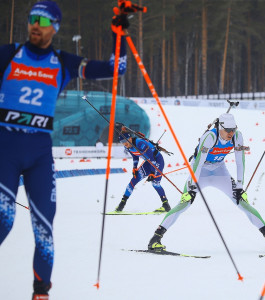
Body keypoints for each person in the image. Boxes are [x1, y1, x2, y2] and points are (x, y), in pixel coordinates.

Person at [0, 1, 129, 299]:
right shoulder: (8, 55)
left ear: (55, 27)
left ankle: (41, 292)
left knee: (44, 228)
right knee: (4, 221)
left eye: (43, 21)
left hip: (40, 155)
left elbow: (115, 70)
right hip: (5, 148)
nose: (36, 25)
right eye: (33, 19)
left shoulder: (63, 61)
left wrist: (118, 36)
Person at [147, 113, 265, 253]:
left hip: (219, 171)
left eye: (233, 129)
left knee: (242, 202)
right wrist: (192, 187)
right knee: (184, 203)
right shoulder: (210, 137)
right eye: (227, 130)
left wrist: (240, 186)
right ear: (220, 127)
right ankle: (155, 239)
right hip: (200, 172)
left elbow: (240, 161)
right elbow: (198, 162)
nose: (230, 133)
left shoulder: (237, 136)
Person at [115, 128, 171, 214]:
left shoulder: (140, 143)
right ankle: (121, 205)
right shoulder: (128, 147)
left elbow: (152, 158)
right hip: (148, 163)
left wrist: (152, 173)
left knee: (155, 183)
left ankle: (166, 205)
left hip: (157, 161)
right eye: (122, 143)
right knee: (134, 180)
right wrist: (134, 167)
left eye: (125, 142)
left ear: (130, 138)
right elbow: (135, 157)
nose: (124, 144)